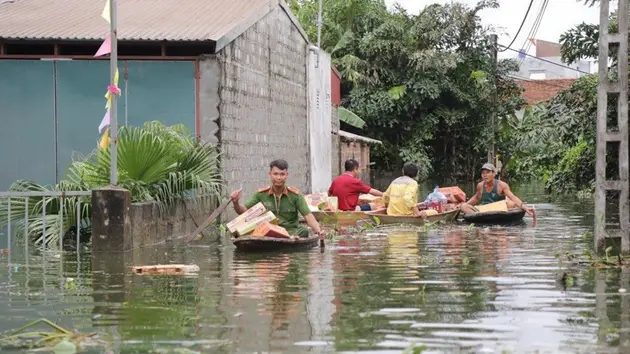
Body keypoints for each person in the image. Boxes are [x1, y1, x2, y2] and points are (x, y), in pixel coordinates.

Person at [230, 159, 324, 238]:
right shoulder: (261, 194)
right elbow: (243, 212)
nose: (279, 177)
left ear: (287, 175)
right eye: (275, 174)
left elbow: (308, 216)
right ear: (270, 174)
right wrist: (236, 203)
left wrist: (319, 231)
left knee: (304, 231)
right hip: (267, 232)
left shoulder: (295, 195)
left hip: (290, 232)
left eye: (282, 174)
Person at [460, 163, 537, 219]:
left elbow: (513, 197)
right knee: (463, 206)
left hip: (498, 209)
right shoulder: (480, 185)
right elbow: (476, 198)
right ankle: (477, 218)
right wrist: (464, 205)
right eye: (483, 173)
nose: (485, 175)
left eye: (487, 173)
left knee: (511, 203)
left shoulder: (502, 185)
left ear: (494, 174)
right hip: (484, 210)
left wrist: (526, 208)